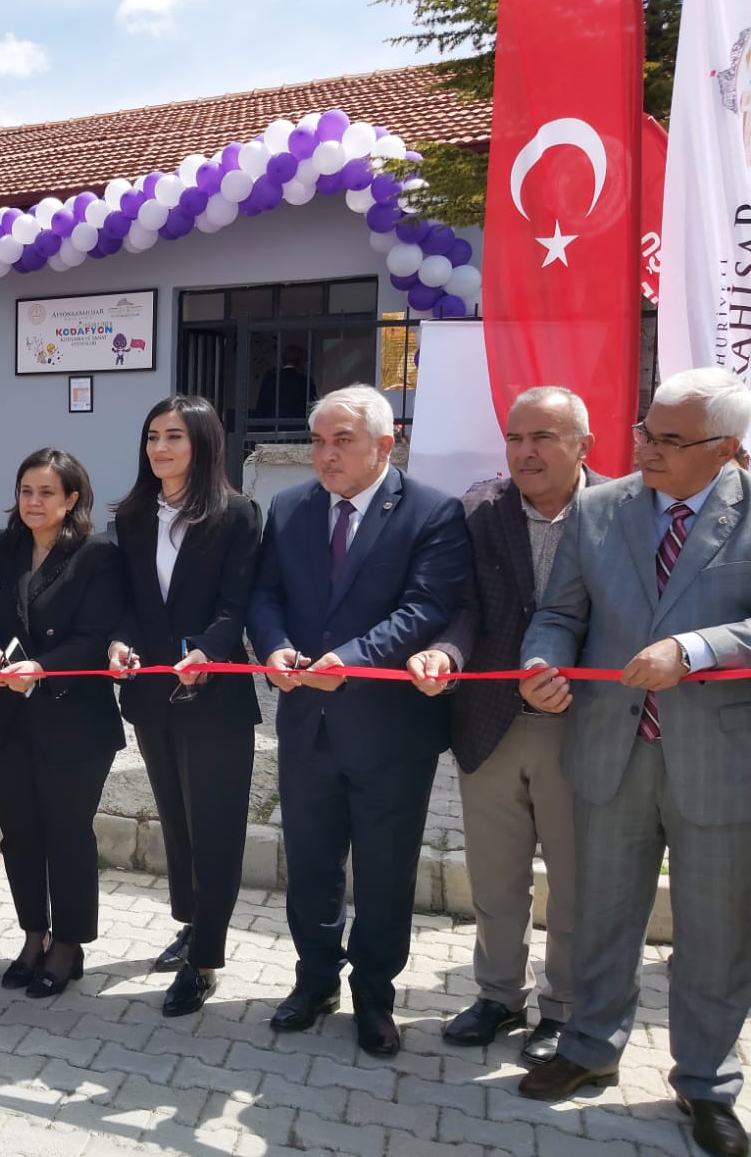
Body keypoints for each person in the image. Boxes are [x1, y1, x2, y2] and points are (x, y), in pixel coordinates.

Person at [516, 369, 751, 1157]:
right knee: (602, 913)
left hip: (718, 759)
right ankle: (589, 1047)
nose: (646, 448)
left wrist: (695, 648)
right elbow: (559, 613)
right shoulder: (599, 508)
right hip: (609, 748)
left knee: (716, 930)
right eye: (646, 431)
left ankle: (707, 1084)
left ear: (726, 449)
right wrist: (542, 664)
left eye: (669, 440)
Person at [247, 384, 469, 1057]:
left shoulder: (431, 511)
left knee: (384, 873)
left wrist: (350, 659)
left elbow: (426, 607)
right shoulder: (290, 508)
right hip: (307, 724)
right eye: (318, 440)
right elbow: (265, 594)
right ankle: (315, 980)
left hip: (389, 733)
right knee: (311, 864)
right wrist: (273, 647)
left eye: (342, 440)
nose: (326, 454)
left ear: (385, 444)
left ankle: (375, 994)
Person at [406, 387, 599, 1065]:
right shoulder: (479, 510)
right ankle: (497, 995)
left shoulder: (618, 512)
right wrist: (445, 653)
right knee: (494, 878)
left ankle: (564, 1008)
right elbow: (463, 607)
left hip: (579, 728)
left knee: (575, 883)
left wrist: (575, 680)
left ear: (583, 445)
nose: (525, 452)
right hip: (490, 723)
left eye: (543, 437)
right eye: (515, 438)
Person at [107, 395, 262, 1017]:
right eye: (152, 436)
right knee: (176, 819)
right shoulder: (134, 515)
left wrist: (208, 651)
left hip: (215, 698)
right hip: (153, 695)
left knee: (215, 828)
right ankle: (191, 923)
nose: (160, 448)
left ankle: (206, 960)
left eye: (174, 436)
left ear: (203, 443)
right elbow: (127, 599)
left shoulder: (236, 514)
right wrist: (120, 640)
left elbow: (237, 604)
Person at [0, 448, 127, 999]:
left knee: (67, 833)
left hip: (73, 719)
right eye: (26, 491)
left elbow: (94, 636)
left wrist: (40, 669)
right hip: (9, 719)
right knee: (20, 833)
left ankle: (69, 944)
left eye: (46, 493)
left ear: (71, 499)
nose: (33, 502)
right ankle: (34, 935)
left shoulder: (97, 556)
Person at [255, 345, 318, 432]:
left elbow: (261, 408)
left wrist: (259, 432)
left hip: (273, 432)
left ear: (282, 360)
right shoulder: (306, 381)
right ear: (299, 362)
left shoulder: (270, 380)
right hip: (298, 433)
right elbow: (313, 409)